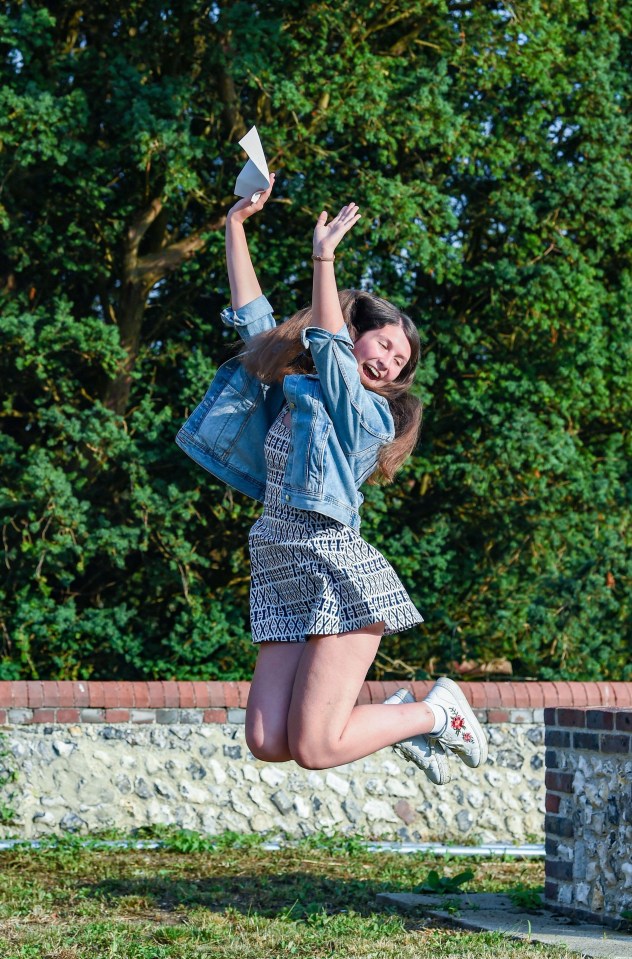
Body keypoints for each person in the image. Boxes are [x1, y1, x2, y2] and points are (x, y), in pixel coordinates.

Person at [176, 173, 488, 786]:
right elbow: (254, 318)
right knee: (268, 741)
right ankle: (403, 716)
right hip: (276, 555)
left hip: (330, 560)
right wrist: (235, 225)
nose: (391, 363)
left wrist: (324, 258)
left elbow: (328, 344)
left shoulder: (368, 413)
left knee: (317, 746)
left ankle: (434, 712)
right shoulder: (294, 391)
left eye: (400, 361)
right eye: (386, 345)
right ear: (359, 333)